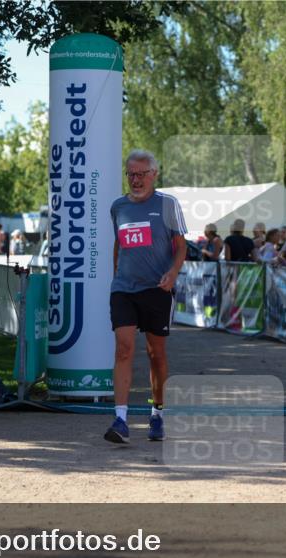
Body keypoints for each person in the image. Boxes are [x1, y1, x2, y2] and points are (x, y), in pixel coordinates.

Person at [105, 149, 187, 445]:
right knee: (123, 349)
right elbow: (120, 244)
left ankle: (157, 413)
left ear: (154, 174)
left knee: (156, 354)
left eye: (141, 174)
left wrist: (173, 273)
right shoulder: (118, 207)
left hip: (157, 289)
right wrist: (116, 275)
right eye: (131, 174)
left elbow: (180, 246)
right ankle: (121, 419)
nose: (136, 180)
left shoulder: (168, 204)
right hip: (124, 289)